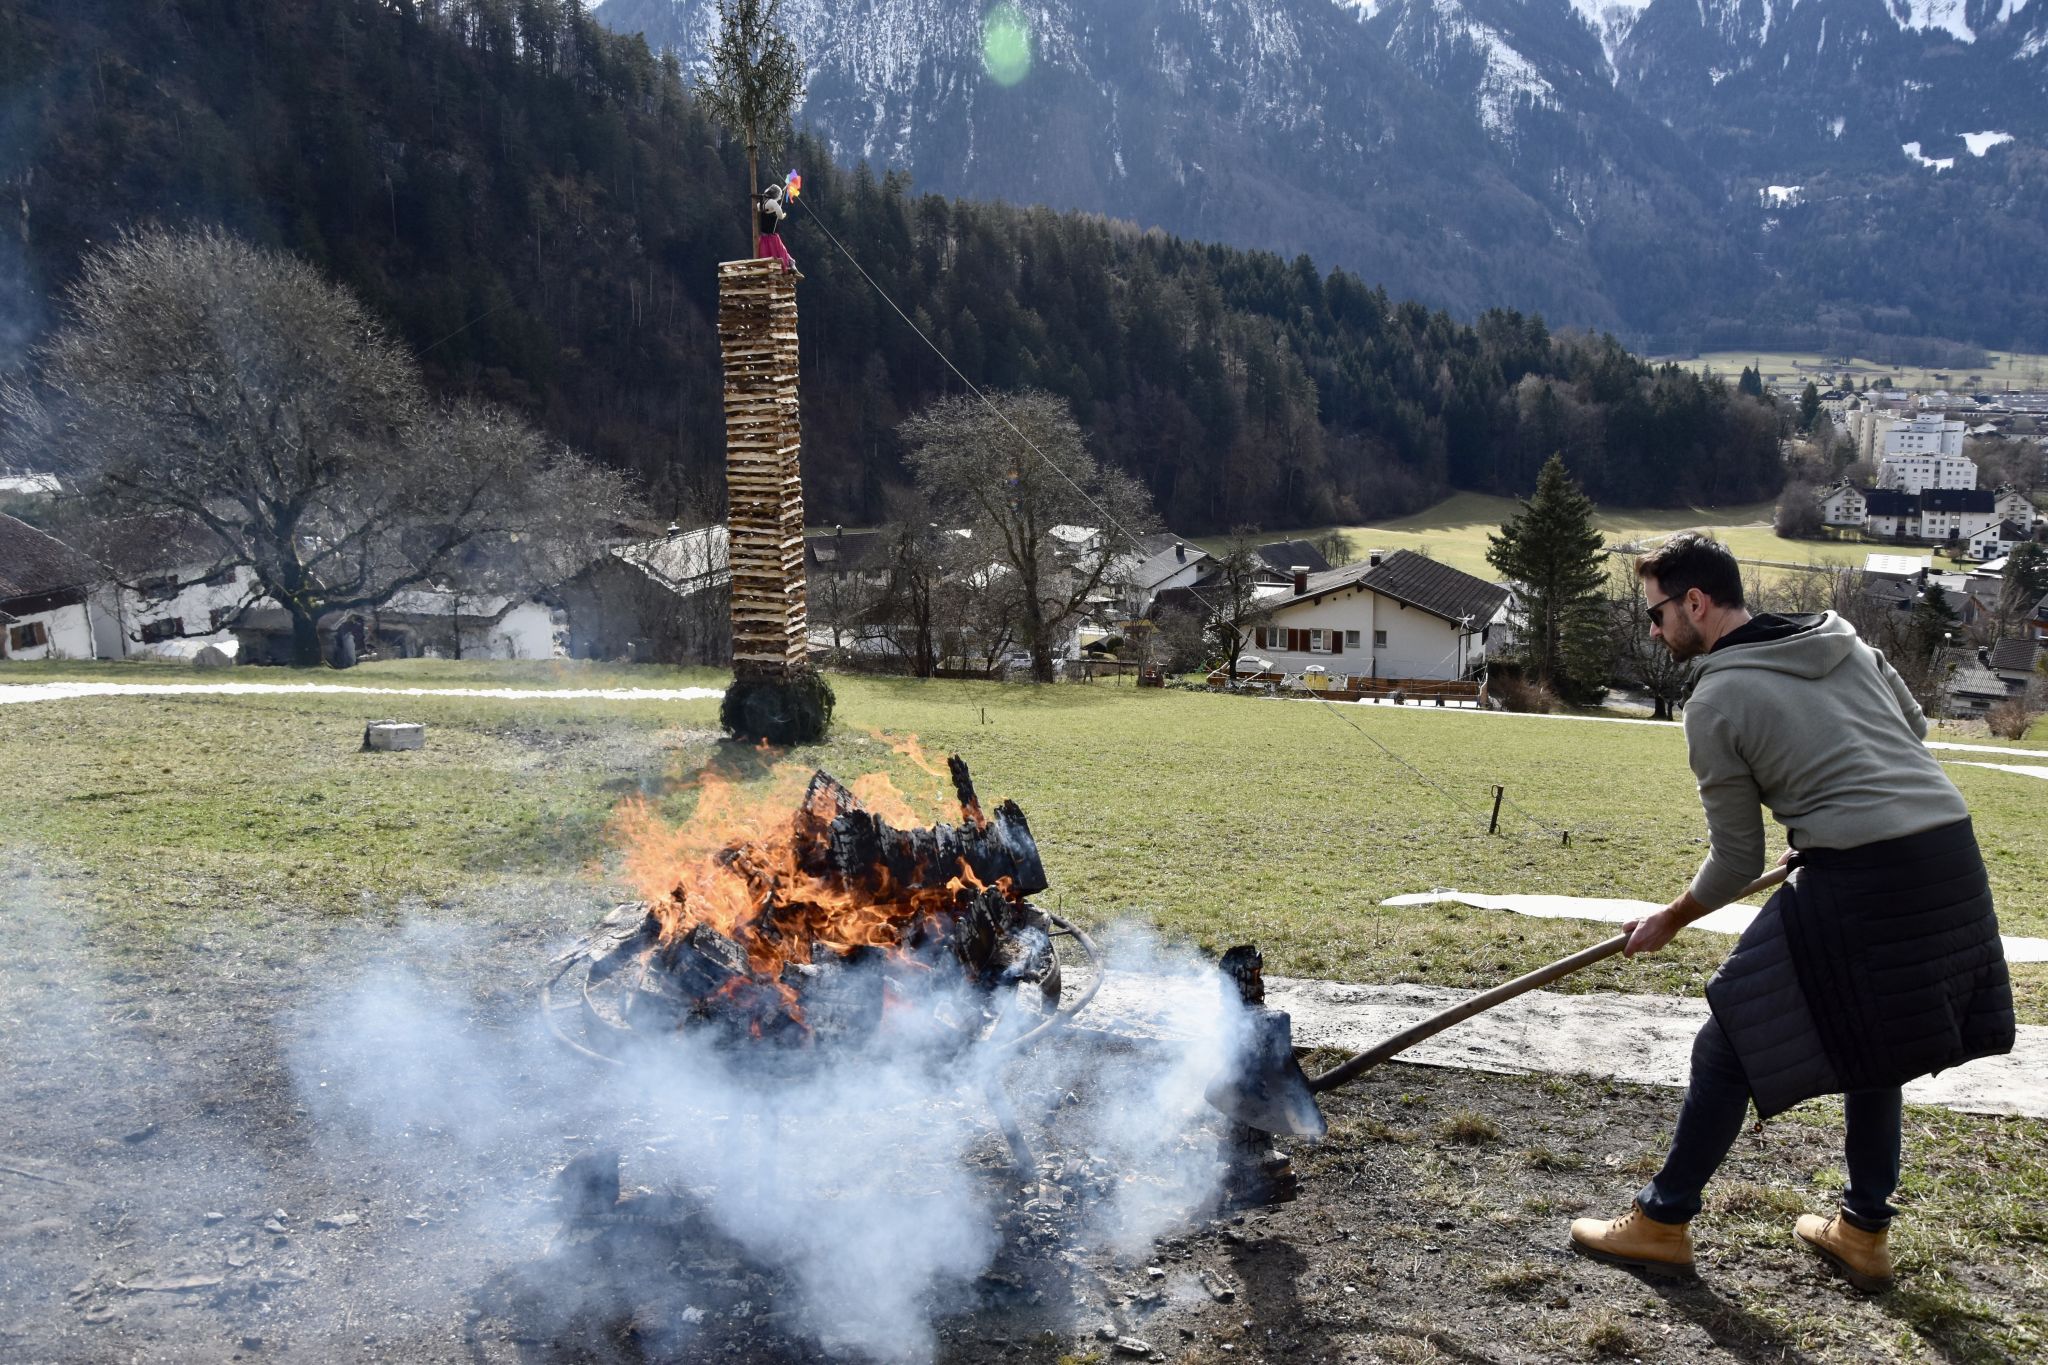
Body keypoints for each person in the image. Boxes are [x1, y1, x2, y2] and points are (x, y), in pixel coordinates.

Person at [1568, 532, 2012, 1291]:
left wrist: (1670, 918)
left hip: (1865, 878)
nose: (1653, 628)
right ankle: (1863, 1233)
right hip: (1948, 855)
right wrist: (1828, 813)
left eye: (1656, 613)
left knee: (1731, 1034)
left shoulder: (1715, 699)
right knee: (1878, 1037)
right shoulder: (1842, 639)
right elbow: (1914, 731)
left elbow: (1736, 860)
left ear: (1697, 603)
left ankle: (1663, 1220)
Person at [755, 184, 803, 280]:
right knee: (782, 252)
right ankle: (792, 267)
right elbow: (780, 216)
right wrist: (783, 214)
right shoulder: (773, 203)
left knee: (766, 255)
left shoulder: (760, 204)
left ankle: (771, 273)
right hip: (772, 237)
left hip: (763, 237)